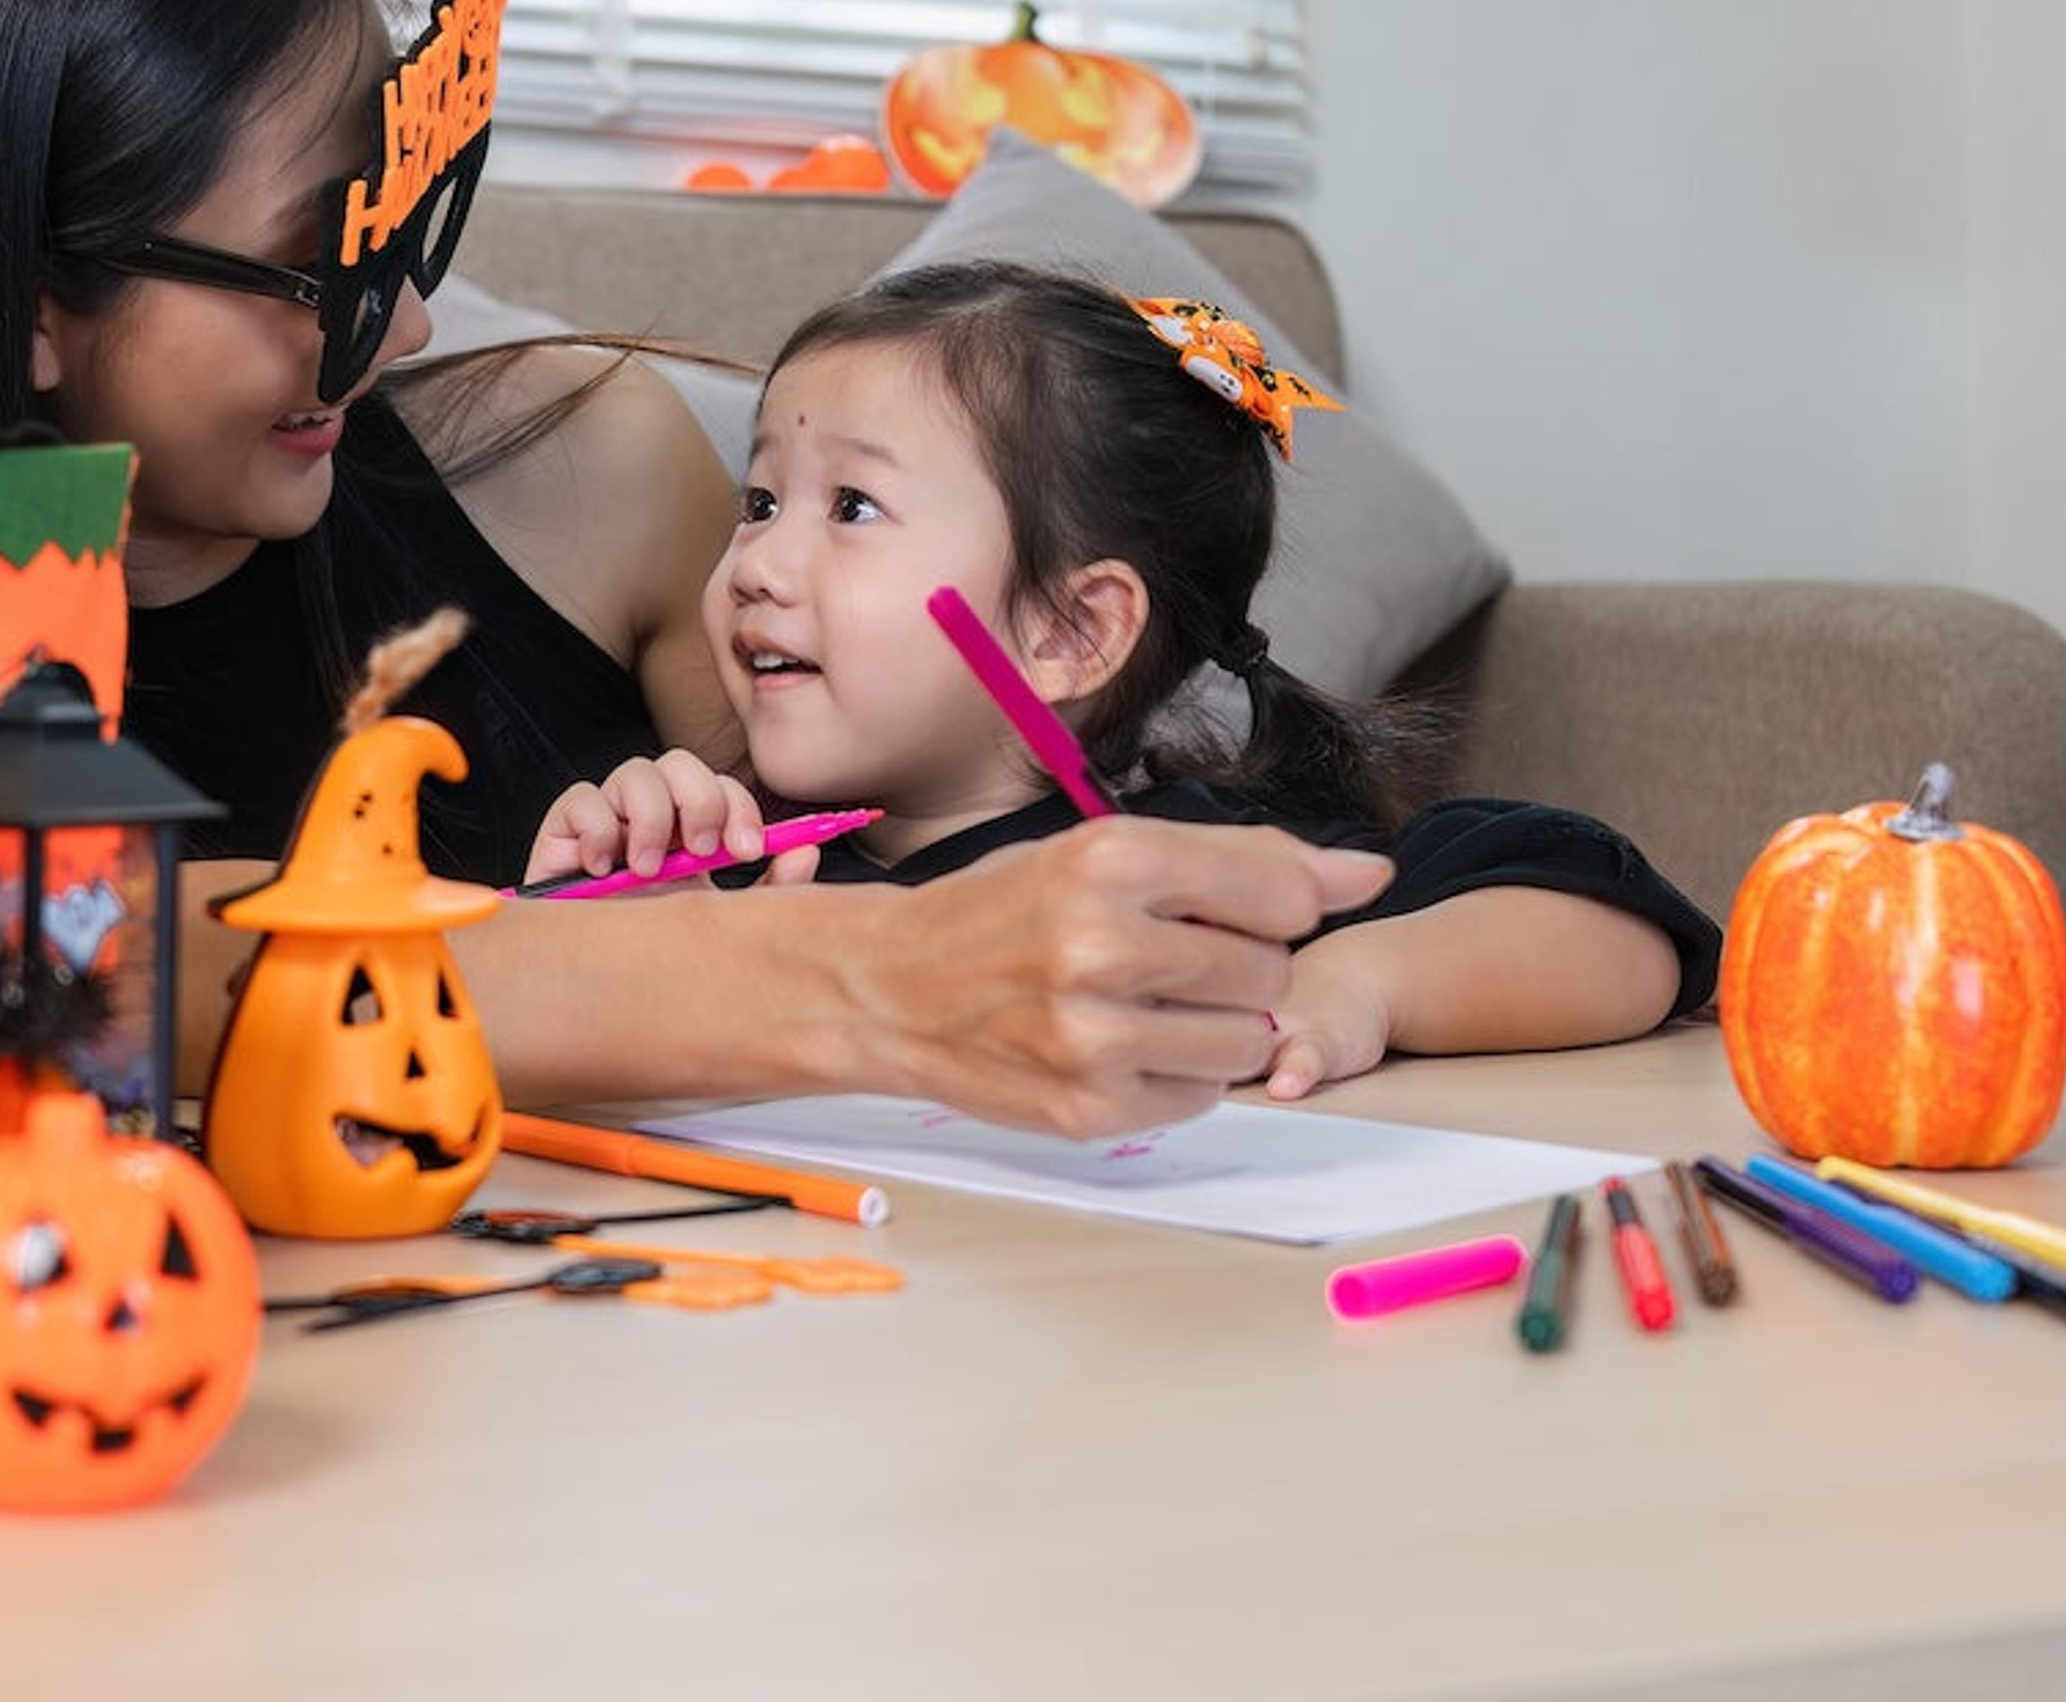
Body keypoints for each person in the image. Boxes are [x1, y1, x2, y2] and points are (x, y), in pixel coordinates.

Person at [0, 0, 1390, 1135]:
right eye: (321, 262)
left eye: (402, 228)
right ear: (39, 291)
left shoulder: (586, 468)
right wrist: (870, 976)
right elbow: (99, 957)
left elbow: (922, 830)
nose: (407, 321)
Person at [530, 261, 1718, 1098]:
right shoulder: (732, 874)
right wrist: (611, 934)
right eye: (759, 502)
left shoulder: (1202, 877)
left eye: (851, 507)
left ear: (1067, 630)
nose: (757, 565)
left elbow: (1620, 928)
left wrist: (1366, 984)